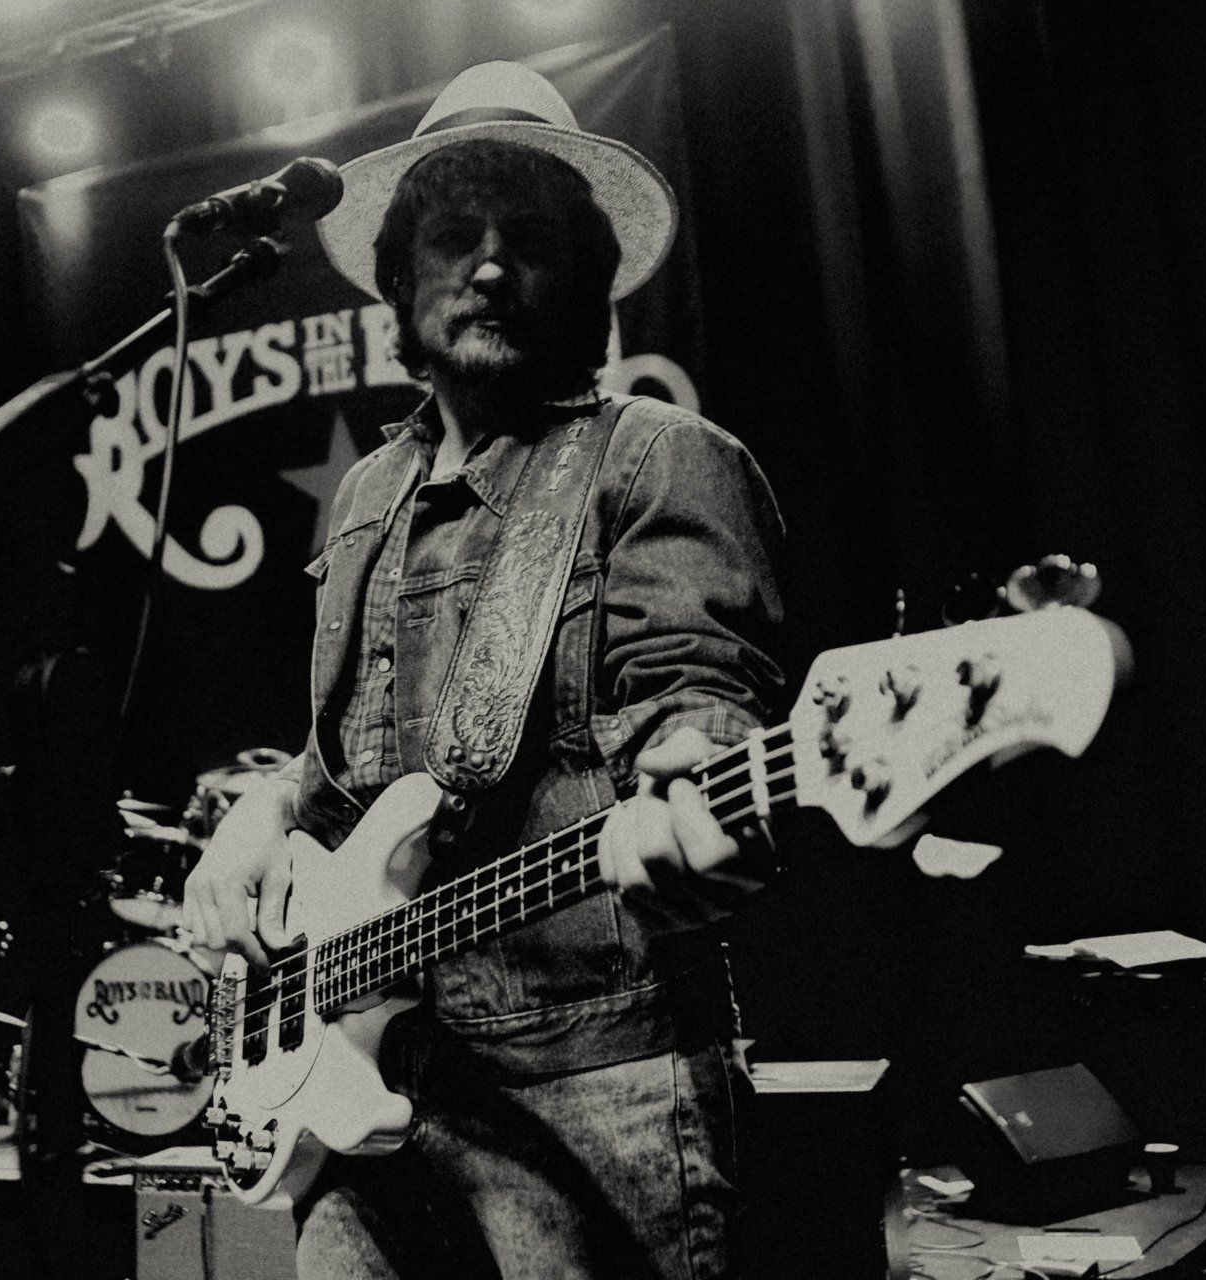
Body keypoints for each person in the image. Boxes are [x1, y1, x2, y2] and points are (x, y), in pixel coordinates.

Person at [181, 61, 786, 1280]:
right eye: (456, 237)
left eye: (534, 242)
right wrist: (258, 809)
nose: (494, 266)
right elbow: (343, 764)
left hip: (593, 1072)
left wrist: (695, 781)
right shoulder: (365, 496)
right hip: (359, 1079)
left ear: (592, 285)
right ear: (400, 281)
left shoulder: (657, 457)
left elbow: (694, 686)